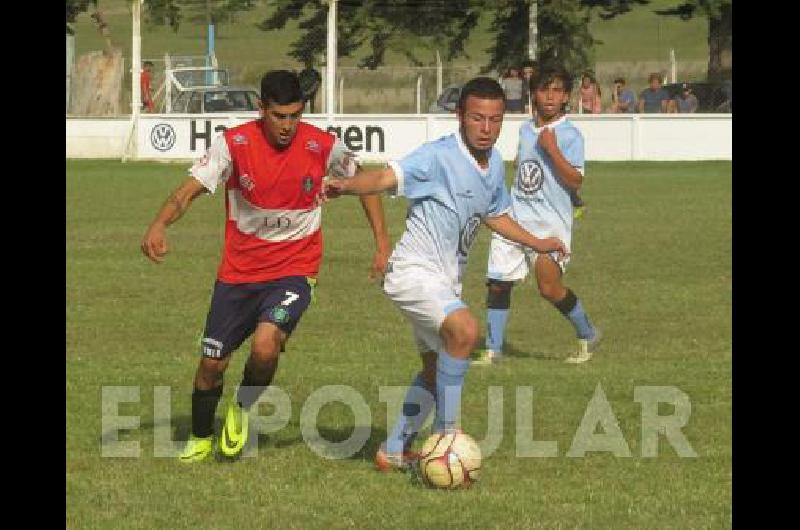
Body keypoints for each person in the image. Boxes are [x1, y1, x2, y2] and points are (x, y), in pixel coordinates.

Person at [140, 70, 390, 463]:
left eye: (295, 115)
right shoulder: (233, 145)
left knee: (266, 344)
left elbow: (364, 181)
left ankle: (241, 409)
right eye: (279, 116)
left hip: (295, 268)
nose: (288, 125)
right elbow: (188, 191)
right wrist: (159, 223)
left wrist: (381, 243)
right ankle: (202, 437)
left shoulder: (322, 145)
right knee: (211, 364)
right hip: (238, 274)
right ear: (261, 109)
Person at [324, 77, 569, 470]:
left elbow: (497, 215)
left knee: (436, 369)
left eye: (495, 120)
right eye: (477, 118)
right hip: (412, 273)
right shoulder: (438, 156)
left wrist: (538, 243)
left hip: (443, 280)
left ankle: (393, 450)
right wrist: (346, 185)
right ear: (460, 116)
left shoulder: (491, 167)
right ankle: (446, 438)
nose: (486, 129)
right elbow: (386, 177)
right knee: (466, 331)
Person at [475, 65, 601, 366]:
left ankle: (588, 332)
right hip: (515, 217)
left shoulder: (570, 135)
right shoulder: (524, 129)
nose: (549, 96)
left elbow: (575, 180)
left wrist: (553, 150)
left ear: (566, 97)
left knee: (548, 287)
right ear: (533, 93)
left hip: (550, 225)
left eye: (557, 90)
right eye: (544, 89)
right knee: (498, 283)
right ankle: (493, 350)